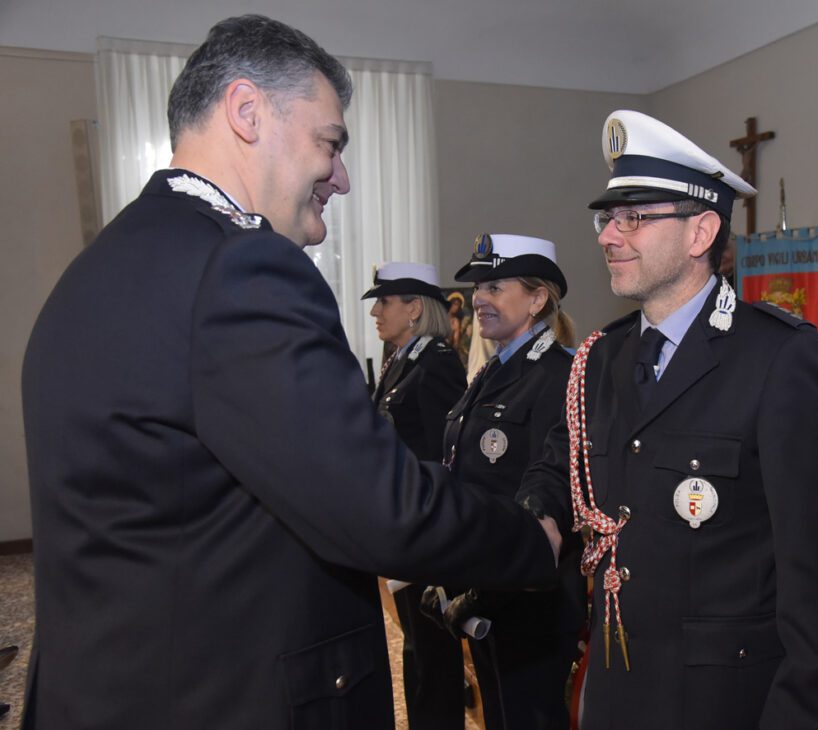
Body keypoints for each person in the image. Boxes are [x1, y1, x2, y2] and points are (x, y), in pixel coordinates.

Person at [20, 15, 560, 729]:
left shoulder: (98, 269)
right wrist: (534, 541)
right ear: (247, 112)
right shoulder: (236, 267)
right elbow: (380, 505)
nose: (341, 177)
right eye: (330, 144)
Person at [517, 110, 818, 729]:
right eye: (606, 218)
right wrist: (528, 521)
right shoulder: (601, 358)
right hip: (615, 689)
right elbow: (560, 469)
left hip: (719, 701)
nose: (607, 236)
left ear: (701, 231)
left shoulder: (780, 358)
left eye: (633, 218)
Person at [424, 234, 587, 730]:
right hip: (489, 586)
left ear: (537, 299)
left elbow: (549, 493)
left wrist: (486, 592)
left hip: (530, 600)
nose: (479, 298)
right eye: (478, 288)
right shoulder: (492, 371)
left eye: (495, 286)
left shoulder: (559, 375)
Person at [362, 262, 469, 728]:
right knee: (415, 646)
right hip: (405, 522)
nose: (376, 313)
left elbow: (446, 455)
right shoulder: (401, 359)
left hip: (427, 527)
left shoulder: (436, 362)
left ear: (414, 309)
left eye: (384, 302)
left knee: (432, 651)